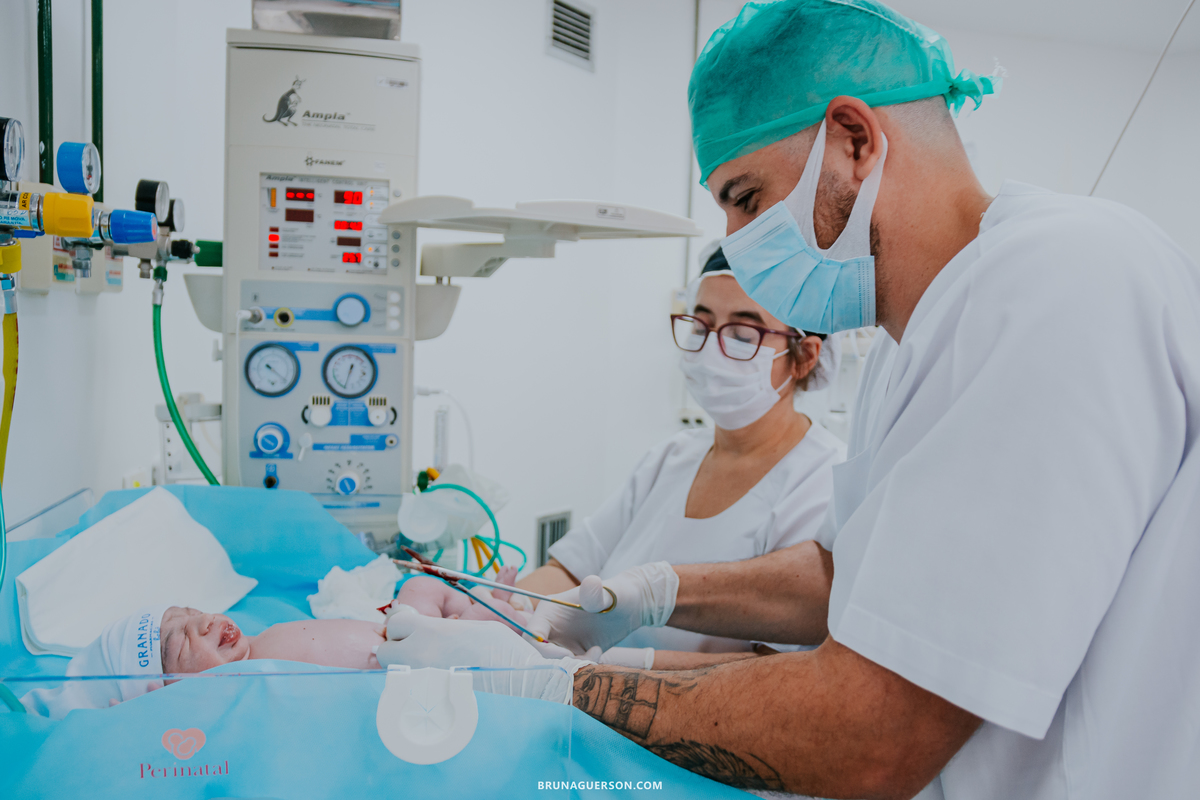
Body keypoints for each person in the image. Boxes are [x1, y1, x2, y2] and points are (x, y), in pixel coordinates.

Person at [374, 1, 1200, 798]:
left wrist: (555, 684)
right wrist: (656, 590)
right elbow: (845, 577)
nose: (736, 240)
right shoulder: (915, 339)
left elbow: (874, 736)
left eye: (746, 198)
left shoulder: (1059, 280)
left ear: (853, 140)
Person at [517, 244, 844, 669]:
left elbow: (768, 670)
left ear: (804, 357)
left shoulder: (824, 479)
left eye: (743, 336)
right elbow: (570, 572)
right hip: (583, 700)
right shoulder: (671, 458)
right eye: (701, 326)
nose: (712, 350)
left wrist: (601, 667)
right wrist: (495, 611)